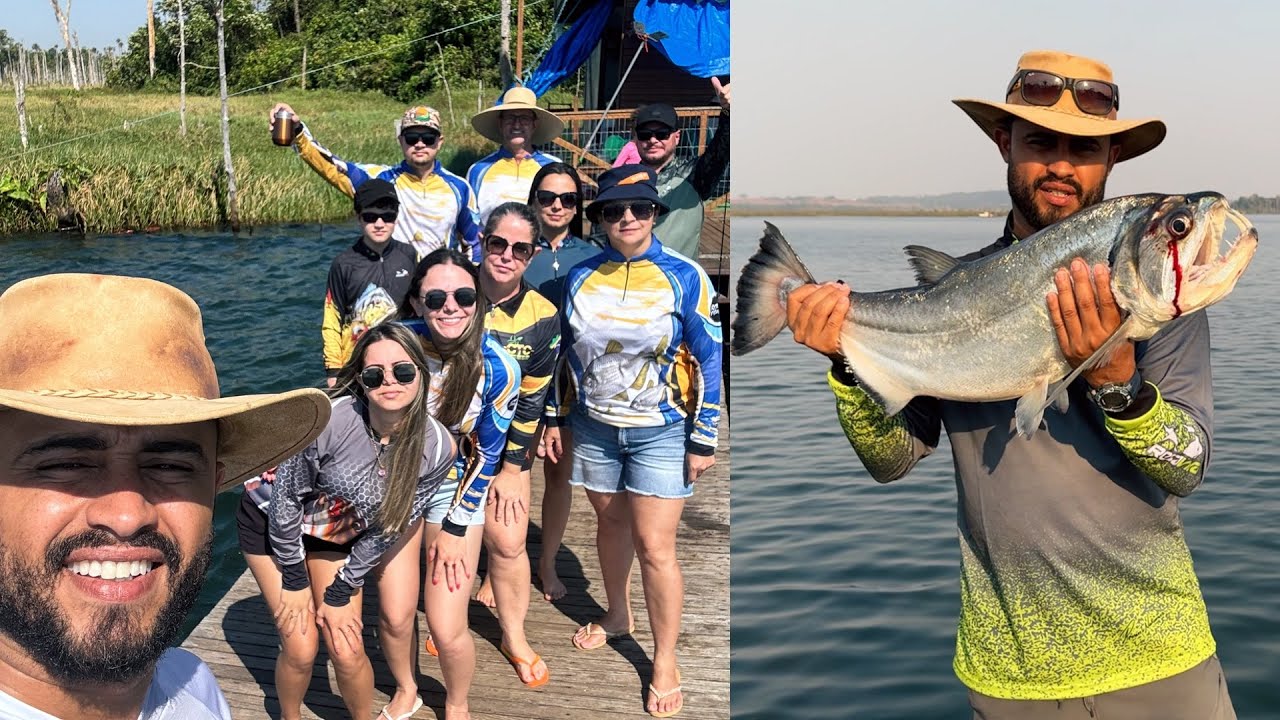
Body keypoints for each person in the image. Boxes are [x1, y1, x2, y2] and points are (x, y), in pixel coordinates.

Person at [784, 50, 1236, 719]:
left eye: (1084, 148)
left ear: (1112, 158)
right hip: (1007, 672)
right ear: (1006, 143)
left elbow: (1187, 467)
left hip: (1160, 660)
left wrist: (1117, 381)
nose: (1061, 164)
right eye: (1040, 142)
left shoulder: (1156, 299)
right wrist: (846, 362)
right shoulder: (956, 290)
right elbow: (892, 459)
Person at [0, 273, 330, 720]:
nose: (126, 514)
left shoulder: (193, 683)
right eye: (68, 464)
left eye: (170, 466)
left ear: (214, 486)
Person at [562, 165, 723, 718]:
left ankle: (664, 658)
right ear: (600, 218)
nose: (626, 218)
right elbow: (562, 352)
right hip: (594, 426)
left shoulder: (686, 275)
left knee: (656, 547)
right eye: (612, 210)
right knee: (609, 523)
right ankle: (616, 614)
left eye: (639, 209)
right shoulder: (580, 277)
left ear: (656, 213)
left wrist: (704, 436)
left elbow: (710, 356)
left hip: (662, 430)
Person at [237, 323, 455, 720]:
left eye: (403, 371)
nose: (390, 381)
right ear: (361, 380)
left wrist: (341, 590)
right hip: (272, 522)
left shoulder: (437, 447)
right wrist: (295, 579)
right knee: (302, 646)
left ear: (421, 375)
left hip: (331, 528)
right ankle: (290, 716)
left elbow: (391, 525)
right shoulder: (329, 422)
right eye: (375, 375)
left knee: (346, 645)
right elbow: (286, 501)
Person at [397, 249, 521, 720]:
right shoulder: (394, 344)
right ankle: (407, 689)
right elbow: (346, 408)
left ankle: (457, 704)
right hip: (394, 487)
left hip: (454, 486)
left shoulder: (499, 368)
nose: (451, 306)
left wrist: (454, 529)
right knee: (394, 614)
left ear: (479, 301)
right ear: (416, 302)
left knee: (447, 625)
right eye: (436, 296)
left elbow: (487, 457)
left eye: (464, 295)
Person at [461, 202, 560, 687]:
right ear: (481, 240)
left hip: (502, 453)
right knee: (450, 542)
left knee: (508, 541)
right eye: (496, 243)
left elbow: (533, 401)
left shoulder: (544, 317)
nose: (506, 255)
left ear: (534, 253)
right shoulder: (450, 291)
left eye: (520, 248)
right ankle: (450, 620)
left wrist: (515, 470)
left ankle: (512, 634)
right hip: (445, 450)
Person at [522, 163, 600, 600]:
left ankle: (547, 562)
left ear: (577, 206)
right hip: (519, 380)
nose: (557, 206)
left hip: (569, 384)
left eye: (567, 199)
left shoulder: (590, 256)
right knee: (507, 477)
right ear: (534, 200)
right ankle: (500, 570)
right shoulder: (513, 249)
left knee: (558, 476)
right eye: (548, 197)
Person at [270, 102, 482, 259]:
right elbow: (331, 165)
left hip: (439, 293)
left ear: (439, 142)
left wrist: (470, 290)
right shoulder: (378, 179)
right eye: (411, 138)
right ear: (400, 141)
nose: (419, 144)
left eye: (428, 138)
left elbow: (474, 245)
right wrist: (298, 132)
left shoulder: (460, 188)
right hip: (391, 287)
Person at [321, 179, 419, 386]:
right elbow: (332, 319)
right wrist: (333, 370)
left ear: (396, 218)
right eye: (370, 217)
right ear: (359, 218)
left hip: (400, 360)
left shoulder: (409, 255)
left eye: (388, 217)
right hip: (355, 364)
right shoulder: (343, 264)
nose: (380, 223)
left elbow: (419, 308)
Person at [629, 77, 731, 261]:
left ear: (676, 137)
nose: (653, 140)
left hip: (679, 284)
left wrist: (728, 114)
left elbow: (720, 151)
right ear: (635, 139)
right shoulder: (621, 180)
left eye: (662, 134)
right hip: (630, 282)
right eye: (645, 134)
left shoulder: (694, 176)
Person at [467, 86, 562, 226]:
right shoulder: (478, 170)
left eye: (524, 119)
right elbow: (470, 221)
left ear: (534, 124)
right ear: (500, 123)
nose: (516, 125)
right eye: (510, 118)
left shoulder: (553, 167)